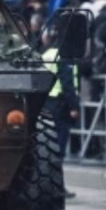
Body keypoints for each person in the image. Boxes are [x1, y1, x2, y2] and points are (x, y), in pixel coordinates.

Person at [41, 28, 80, 198]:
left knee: (48, 148)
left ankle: (48, 186)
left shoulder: (47, 53)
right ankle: (57, 187)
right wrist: (74, 107)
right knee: (59, 150)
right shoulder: (63, 56)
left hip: (46, 104)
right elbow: (67, 83)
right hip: (60, 106)